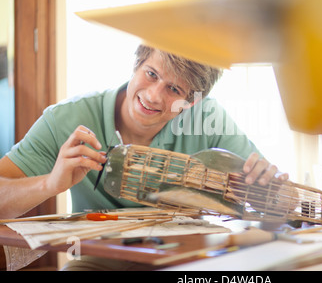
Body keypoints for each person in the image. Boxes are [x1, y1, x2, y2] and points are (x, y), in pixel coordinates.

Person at [0, 45, 288, 270]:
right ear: (136, 65)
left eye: (174, 89)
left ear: (192, 102)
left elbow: (276, 199)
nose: (153, 96)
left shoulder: (208, 117)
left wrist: (266, 189)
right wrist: (49, 184)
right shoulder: (66, 119)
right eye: (151, 74)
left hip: (186, 258)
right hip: (102, 258)